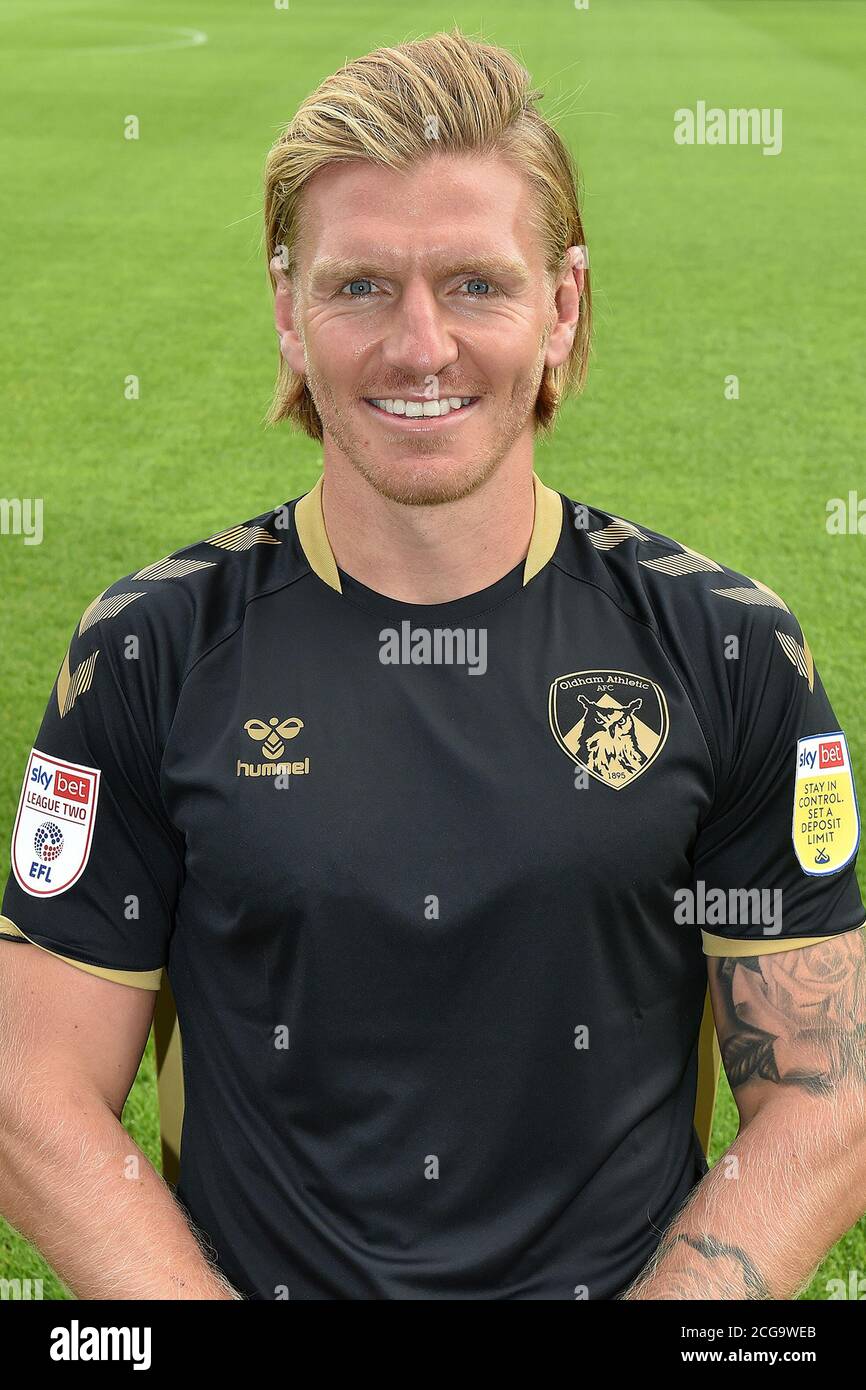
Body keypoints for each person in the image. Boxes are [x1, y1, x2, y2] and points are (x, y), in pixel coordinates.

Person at [1, 28, 864, 1302]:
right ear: (287, 309)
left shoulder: (728, 650)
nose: (418, 347)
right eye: (358, 288)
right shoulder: (145, 652)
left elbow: (824, 1096)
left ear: (560, 307)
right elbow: (31, 1092)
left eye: (473, 283)